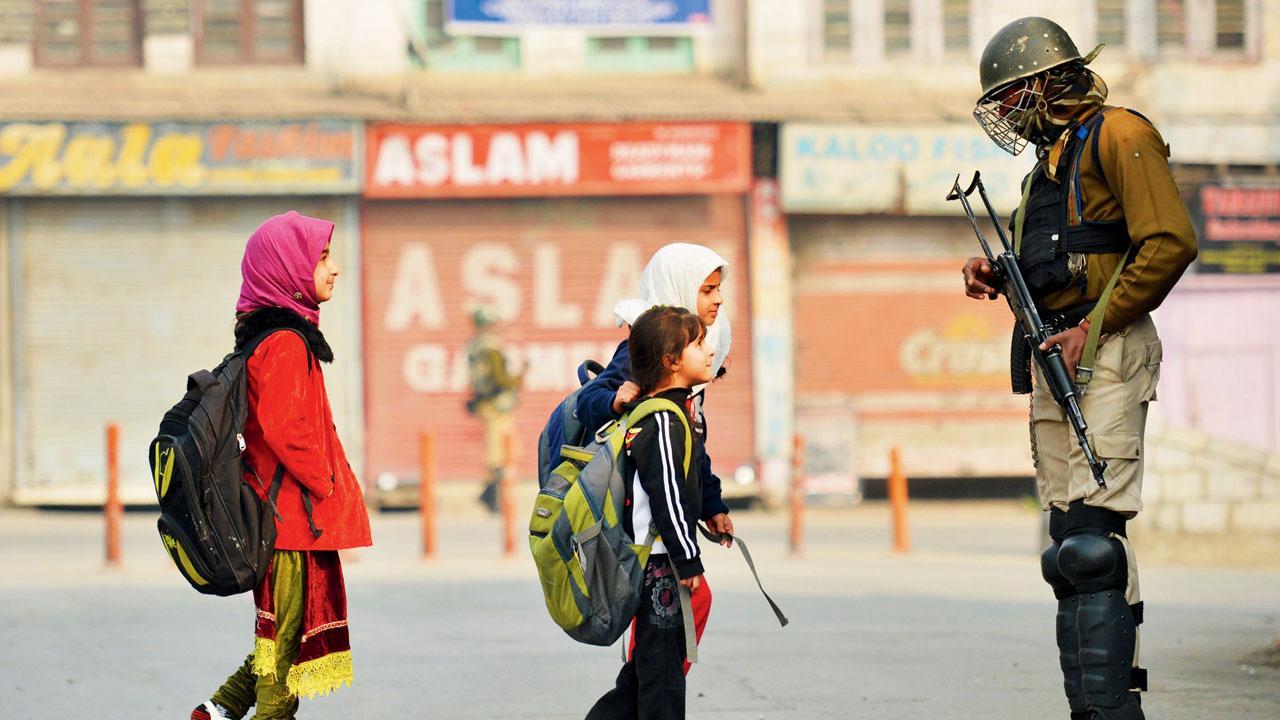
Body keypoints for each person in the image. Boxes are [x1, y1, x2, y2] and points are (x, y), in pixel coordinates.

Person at [961, 17, 1197, 720]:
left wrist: (1094, 328)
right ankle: (1090, 708)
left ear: (1040, 84)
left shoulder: (1120, 134)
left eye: (1007, 98)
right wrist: (997, 277)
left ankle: (1114, 709)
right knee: (1067, 551)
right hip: (1057, 354)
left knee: (1095, 545)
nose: (1003, 115)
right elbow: (1061, 261)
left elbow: (1169, 242)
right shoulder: (1046, 169)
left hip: (1108, 347)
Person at [192, 211, 373, 720]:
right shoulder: (287, 342)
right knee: (286, 650)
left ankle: (217, 709)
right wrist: (326, 483)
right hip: (290, 520)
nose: (334, 268)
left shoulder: (269, 337)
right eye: (321, 257)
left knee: (279, 636)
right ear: (287, 268)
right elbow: (284, 428)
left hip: (283, 516)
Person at [585, 305, 723, 720]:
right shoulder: (662, 419)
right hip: (660, 565)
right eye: (698, 344)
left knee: (645, 677)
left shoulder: (670, 411)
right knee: (661, 680)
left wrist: (714, 510)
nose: (710, 350)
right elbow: (667, 496)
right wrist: (687, 557)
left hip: (658, 563)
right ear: (672, 360)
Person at [465, 306, 522, 513]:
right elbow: (501, 378)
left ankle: (491, 495)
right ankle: (492, 497)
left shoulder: (475, 346)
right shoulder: (490, 347)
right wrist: (519, 376)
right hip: (497, 405)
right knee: (501, 452)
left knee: (498, 450)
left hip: (487, 404)